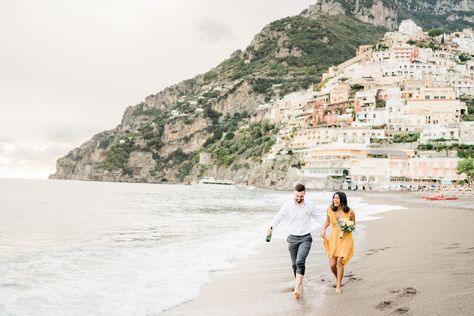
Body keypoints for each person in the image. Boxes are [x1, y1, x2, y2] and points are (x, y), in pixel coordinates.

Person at [267, 183, 320, 299]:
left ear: (304, 194)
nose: (299, 198)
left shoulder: (310, 205)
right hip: (292, 238)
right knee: (294, 264)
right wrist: (271, 226)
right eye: (297, 196)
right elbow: (279, 216)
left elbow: (318, 217)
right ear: (294, 194)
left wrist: (328, 227)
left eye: (301, 196)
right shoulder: (287, 205)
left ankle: (296, 288)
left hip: (306, 237)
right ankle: (300, 283)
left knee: (300, 261)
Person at [321, 192, 355, 293]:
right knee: (332, 264)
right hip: (334, 238)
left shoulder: (350, 212)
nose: (335, 200)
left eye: (338, 198)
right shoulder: (330, 210)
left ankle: (338, 286)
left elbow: (353, 226)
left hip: (345, 238)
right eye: (334, 198)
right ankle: (338, 278)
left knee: (339, 261)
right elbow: (327, 221)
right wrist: (323, 229)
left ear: (342, 200)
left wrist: (346, 228)